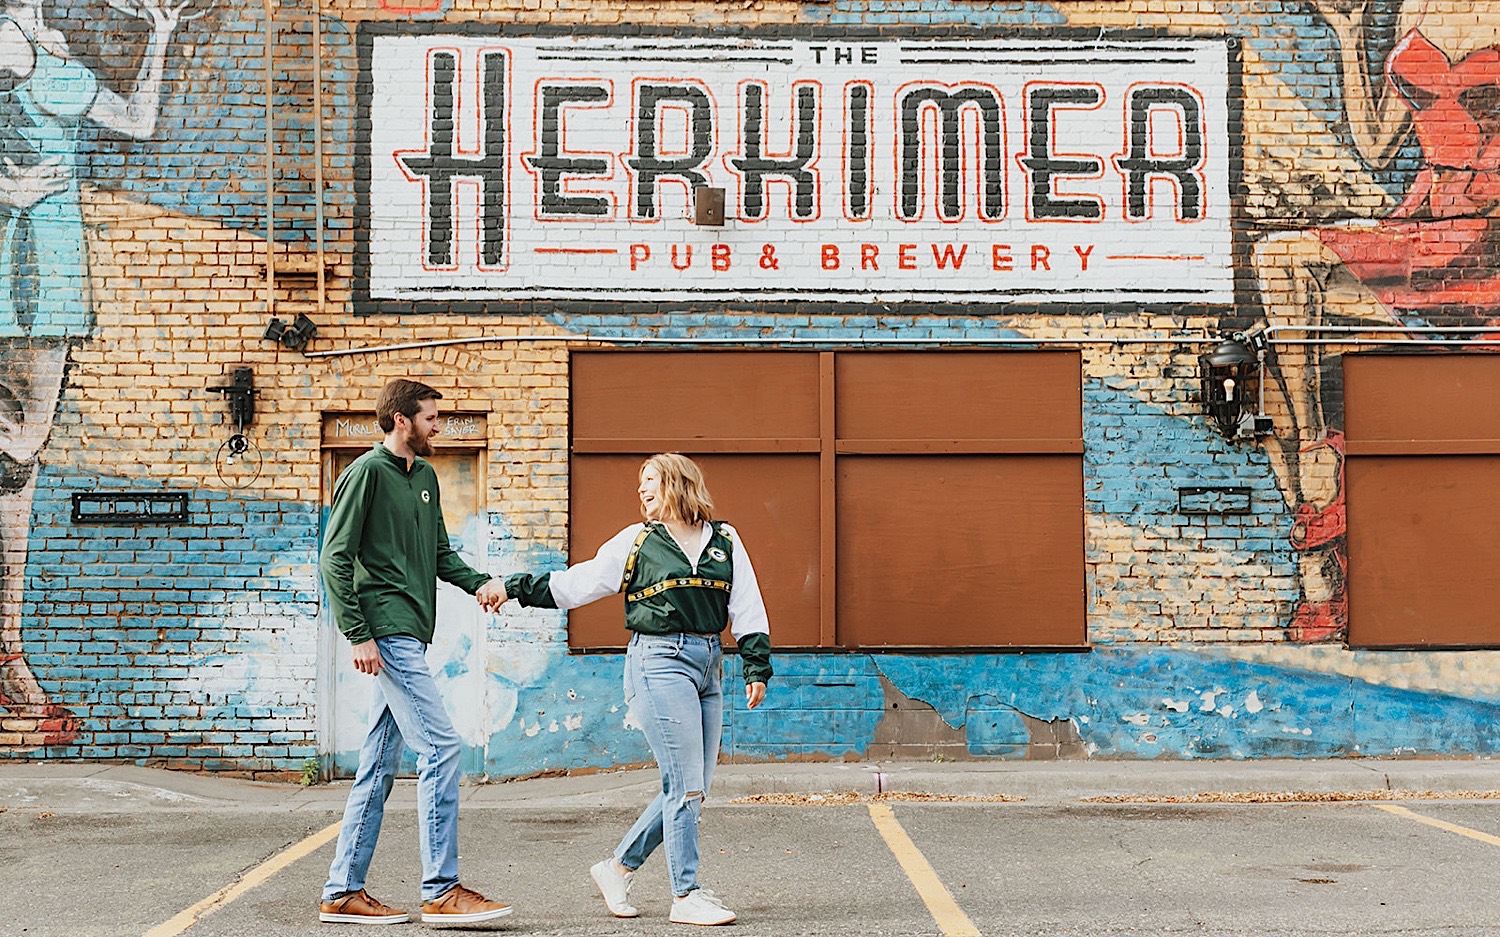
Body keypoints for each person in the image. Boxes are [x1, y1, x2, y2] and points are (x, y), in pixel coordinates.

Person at [1252, 0, 1500, 640]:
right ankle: (1321, 550)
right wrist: (1349, 29)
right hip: (1421, 222)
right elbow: (1377, 143)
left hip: (1483, 238)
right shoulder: (1412, 7)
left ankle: (1317, 471)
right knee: (1268, 355)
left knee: (1285, 268)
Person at [0, 0, 188, 745]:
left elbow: (138, 121)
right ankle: (9, 657)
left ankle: (9, 652)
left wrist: (162, 34)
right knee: (16, 452)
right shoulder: (9, 37)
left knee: (22, 456)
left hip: (54, 270)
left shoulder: (48, 44)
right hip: (20, 265)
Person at [491, 453, 772, 927]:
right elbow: (575, 583)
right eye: (639, 484)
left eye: (651, 481)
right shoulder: (638, 541)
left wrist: (756, 666)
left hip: (709, 664)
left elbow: (747, 603)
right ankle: (685, 895)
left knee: (693, 790)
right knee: (684, 786)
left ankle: (618, 867)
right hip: (658, 661)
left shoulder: (725, 539)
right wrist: (511, 586)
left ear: (679, 484)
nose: (641, 491)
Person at [318, 378, 511, 927]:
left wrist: (482, 582)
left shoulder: (423, 476)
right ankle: (441, 890)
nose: (436, 427)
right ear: (401, 420)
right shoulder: (364, 474)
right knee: (442, 748)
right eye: (429, 417)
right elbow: (336, 557)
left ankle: (341, 891)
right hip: (386, 629)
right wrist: (358, 633)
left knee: (378, 767)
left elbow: (440, 554)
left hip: (411, 631)